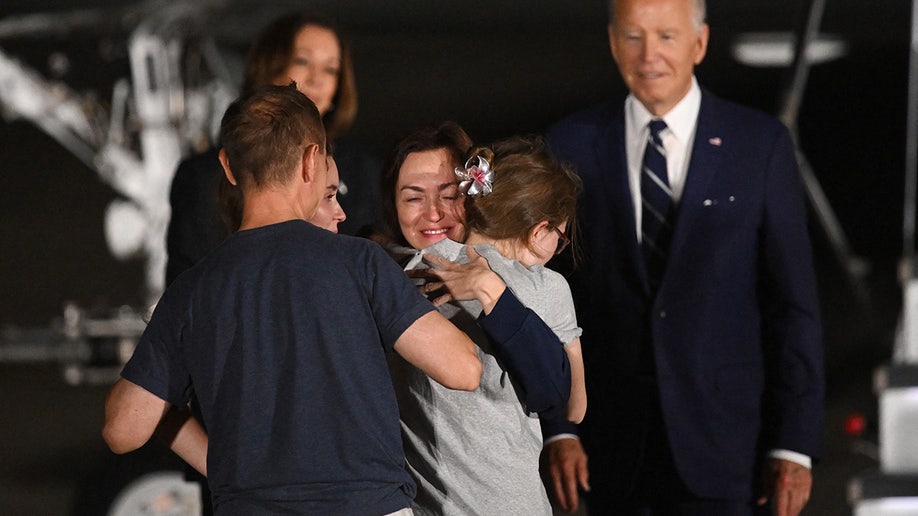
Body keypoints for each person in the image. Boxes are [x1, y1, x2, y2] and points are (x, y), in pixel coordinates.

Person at [102, 84, 482, 515]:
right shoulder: (359, 262)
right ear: (311, 162)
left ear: (227, 166)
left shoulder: (193, 289)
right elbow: (463, 370)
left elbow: (123, 429)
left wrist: (223, 466)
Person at [542, 0, 825, 515]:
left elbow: (793, 306)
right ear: (612, 43)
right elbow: (546, 300)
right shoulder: (569, 146)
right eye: (633, 37)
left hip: (731, 451)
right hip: (608, 455)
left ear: (700, 43)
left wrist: (794, 442)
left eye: (667, 37)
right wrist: (557, 428)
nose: (649, 55)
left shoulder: (758, 145)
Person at [383, 131, 587, 515]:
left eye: (446, 195)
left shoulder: (398, 272)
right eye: (559, 239)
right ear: (539, 229)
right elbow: (573, 407)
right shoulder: (547, 287)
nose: (432, 212)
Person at [166, 11, 380, 285]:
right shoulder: (203, 175)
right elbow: (188, 291)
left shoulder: (362, 168)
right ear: (269, 66)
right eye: (303, 61)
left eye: (330, 69)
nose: (317, 79)